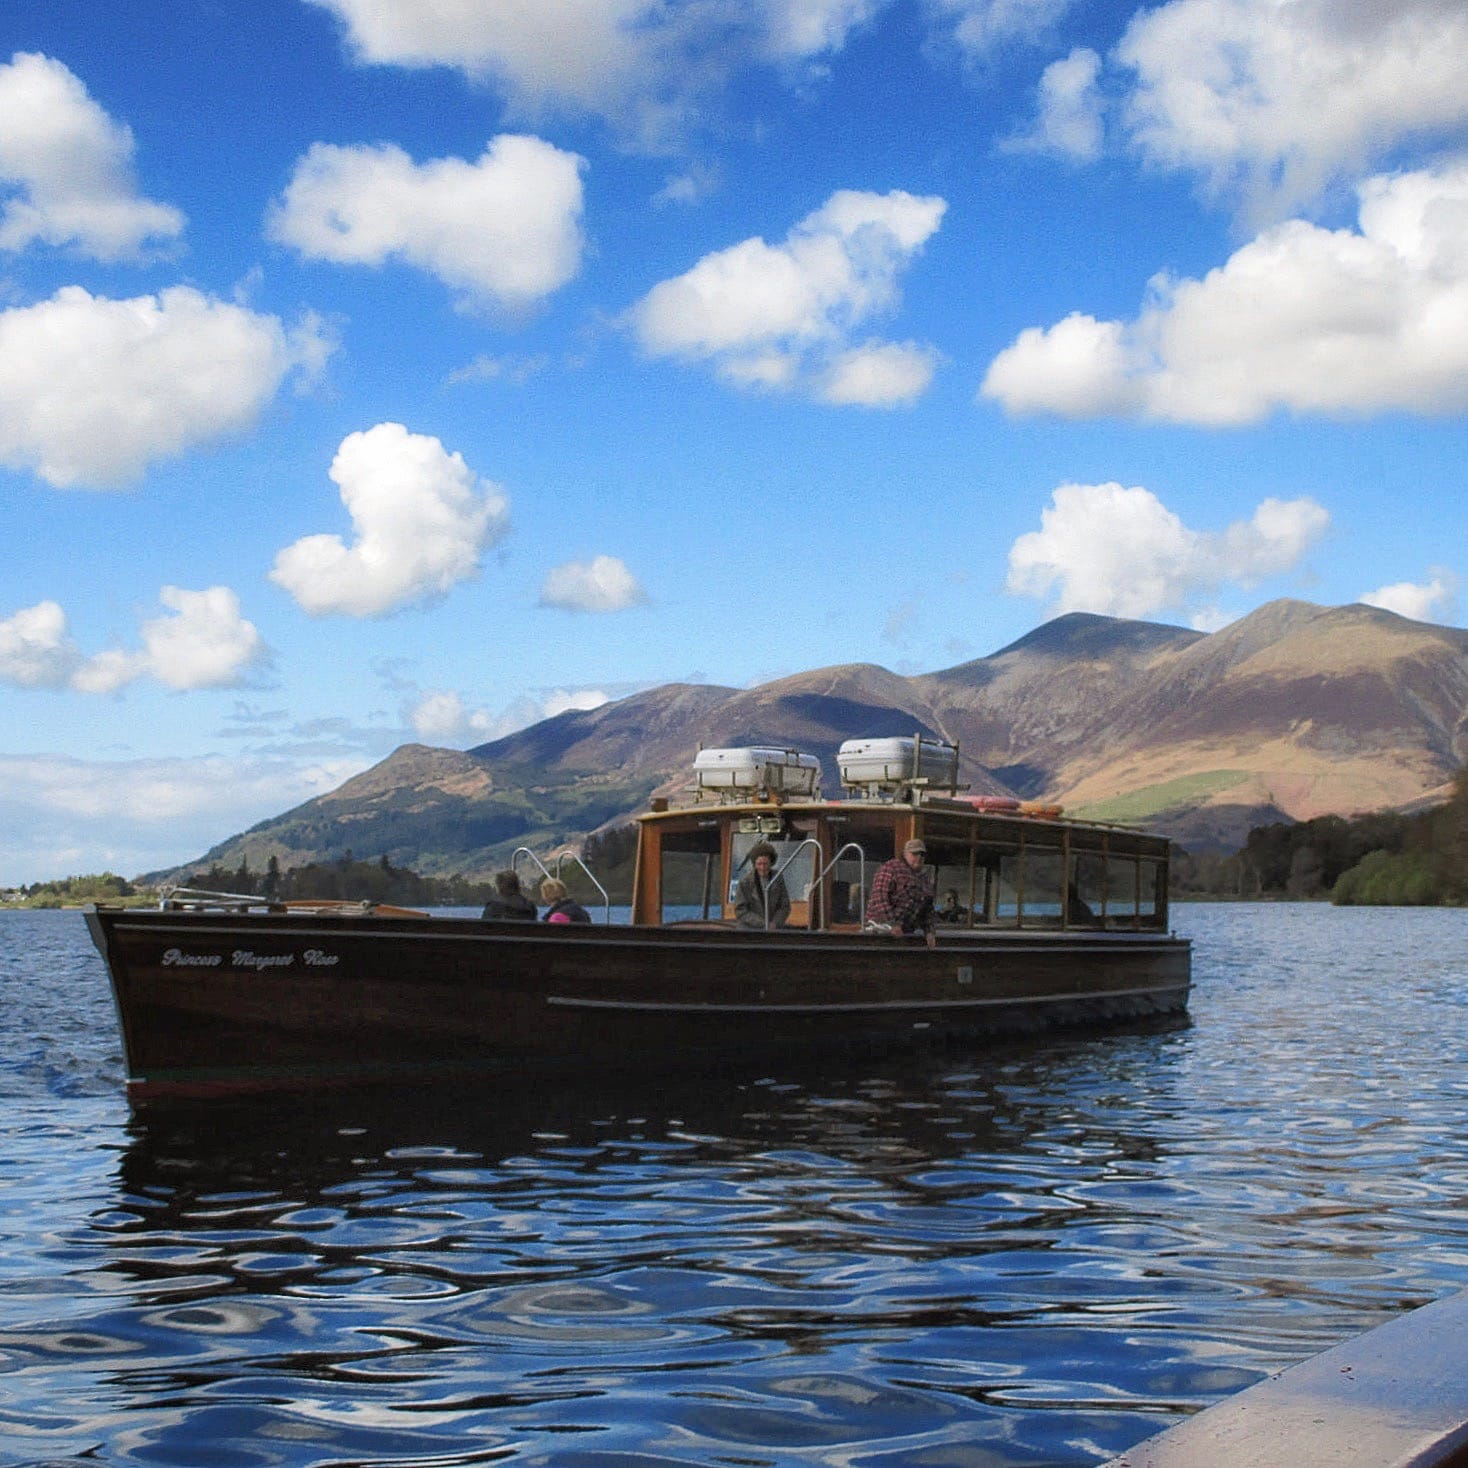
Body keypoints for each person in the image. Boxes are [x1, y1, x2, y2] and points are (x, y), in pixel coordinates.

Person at [867, 838, 936, 948]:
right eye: (915, 853)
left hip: (906, 934)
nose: (919, 857)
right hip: (880, 932)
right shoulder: (890, 868)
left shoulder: (924, 879)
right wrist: (891, 924)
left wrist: (930, 932)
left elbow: (928, 908)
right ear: (905, 854)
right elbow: (879, 898)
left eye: (922, 854)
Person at [733, 842, 791, 930]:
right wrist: (763, 924)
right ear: (754, 864)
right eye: (759, 864)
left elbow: (784, 906)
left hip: (773, 931)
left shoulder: (778, 878)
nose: (762, 868)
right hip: (749, 932)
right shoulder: (745, 882)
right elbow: (741, 911)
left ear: (771, 863)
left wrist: (775, 923)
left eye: (765, 864)